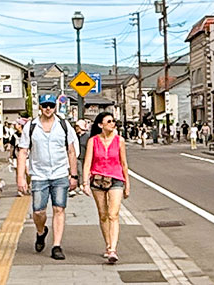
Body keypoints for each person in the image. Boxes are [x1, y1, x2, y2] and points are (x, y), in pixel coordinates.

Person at [14, 101, 80, 260]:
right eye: (45, 105)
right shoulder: (31, 126)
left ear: (55, 107)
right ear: (41, 108)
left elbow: (71, 151)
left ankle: (56, 245)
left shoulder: (63, 125)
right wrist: (21, 177)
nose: (48, 108)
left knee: (59, 209)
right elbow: (22, 152)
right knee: (38, 211)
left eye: (51, 105)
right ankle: (41, 231)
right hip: (39, 175)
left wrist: (74, 175)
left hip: (60, 173)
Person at [78, 111, 133, 265]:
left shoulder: (119, 140)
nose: (112, 123)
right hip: (97, 180)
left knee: (113, 214)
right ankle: (108, 245)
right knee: (103, 214)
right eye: (109, 121)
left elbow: (124, 163)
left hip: (116, 179)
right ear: (100, 125)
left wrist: (127, 185)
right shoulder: (93, 141)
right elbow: (87, 162)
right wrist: (85, 183)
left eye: (113, 121)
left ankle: (113, 249)